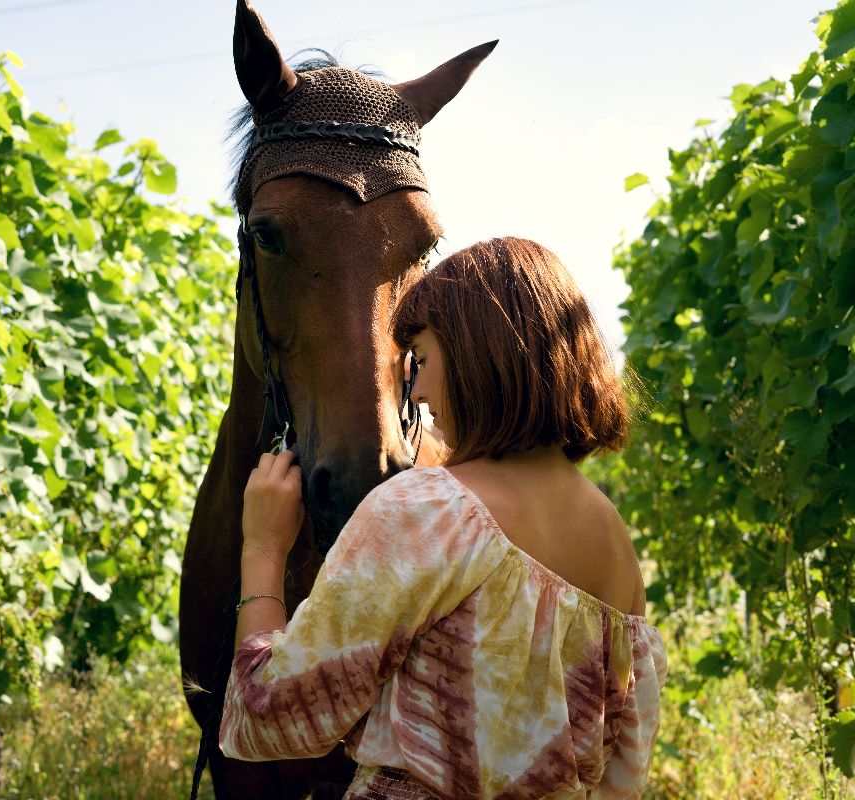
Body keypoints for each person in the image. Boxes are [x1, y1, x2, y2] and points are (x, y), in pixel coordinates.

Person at [220, 237, 668, 799]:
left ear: (481, 356)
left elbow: (273, 720)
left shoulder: (429, 510)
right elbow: (620, 778)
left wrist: (261, 548)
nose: (419, 392)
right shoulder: (618, 549)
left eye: (423, 361)